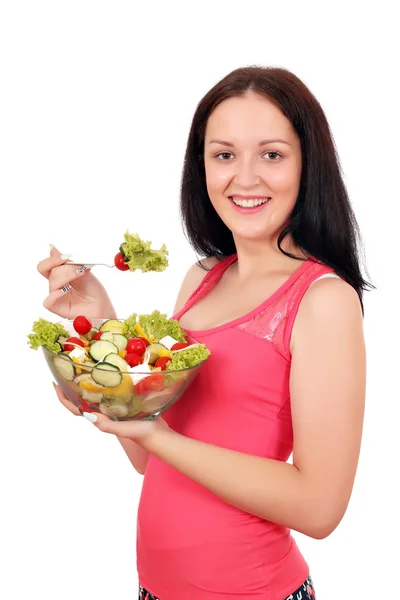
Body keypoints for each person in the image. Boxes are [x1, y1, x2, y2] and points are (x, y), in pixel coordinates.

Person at [37, 66, 370, 599]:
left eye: (272, 154)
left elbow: (320, 508)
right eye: (224, 154)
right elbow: (151, 458)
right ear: (203, 167)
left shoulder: (322, 300)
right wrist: (101, 323)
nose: (245, 177)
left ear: (309, 166)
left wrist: (157, 435)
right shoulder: (202, 279)